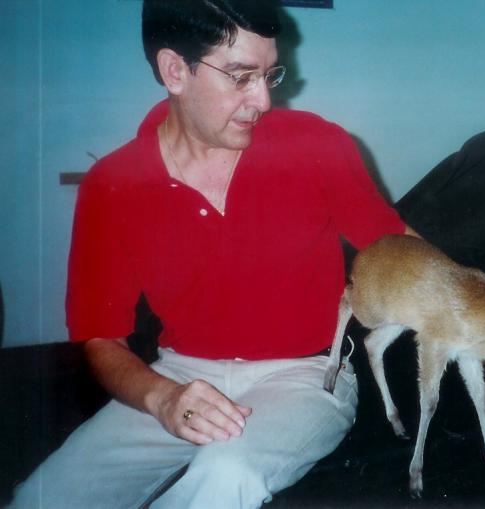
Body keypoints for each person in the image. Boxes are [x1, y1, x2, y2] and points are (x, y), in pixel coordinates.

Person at [11, 1, 415, 507]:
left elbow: (398, 246)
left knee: (226, 472)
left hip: (307, 375)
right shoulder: (112, 184)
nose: (263, 100)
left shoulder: (316, 143)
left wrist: (477, 311)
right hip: (179, 375)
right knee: (44, 496)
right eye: (241, 77)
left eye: (269, 75)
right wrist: (162, 398)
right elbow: (100, 337)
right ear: (174, 71)